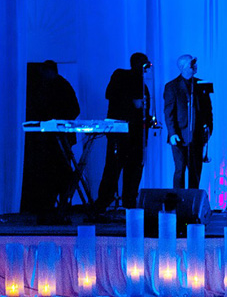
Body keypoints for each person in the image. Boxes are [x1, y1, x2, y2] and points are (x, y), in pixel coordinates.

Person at [21, 60, 80, 224]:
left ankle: (57, 208)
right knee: (56, 173)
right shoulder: (58, 85)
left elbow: (74, 110)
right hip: (55, 137)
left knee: (57, 173)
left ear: (50, 71)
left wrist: (56, 122)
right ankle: (57, 208)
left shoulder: (58, 86)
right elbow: (75, 109)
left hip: (57, 137)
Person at [94, 53, 151, 212]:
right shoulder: (120, 75)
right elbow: (110, 94)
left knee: (134, 169)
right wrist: (131, 102)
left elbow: (144, 109)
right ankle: (104, 201)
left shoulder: (143, 84)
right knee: (113, 166)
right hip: (120, 133)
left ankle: (129, 202)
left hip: (137, 134)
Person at [164, 54, 213, 189]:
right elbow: (169, 112)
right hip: (179, 135)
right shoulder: (171, 86)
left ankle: (192, 203)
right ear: (183, 67)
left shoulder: (201, 84)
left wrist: (209, 128)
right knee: (180, 170)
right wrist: (172, 133)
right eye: (192, 64)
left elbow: (208, 110)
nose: (195, 66)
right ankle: (177, 202)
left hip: (197, 135)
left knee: (195, 171)